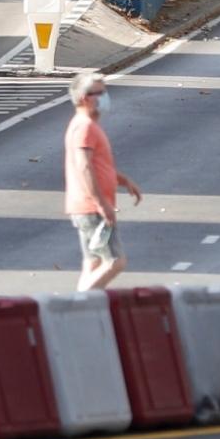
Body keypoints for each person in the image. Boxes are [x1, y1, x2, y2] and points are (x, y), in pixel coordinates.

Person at [64, 72, 142, 291]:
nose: (103, 97)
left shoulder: (86, 125)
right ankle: (78, 305)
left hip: (87, 206)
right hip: (91, 208)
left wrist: (122, 180)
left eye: (104, 91)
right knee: (115, 261)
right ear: (82, 98)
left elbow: (97, 166)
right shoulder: (85, 127)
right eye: (97, 93)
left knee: (93, 263)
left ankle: (84, 312)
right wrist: (101, 204)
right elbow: (85, 166)